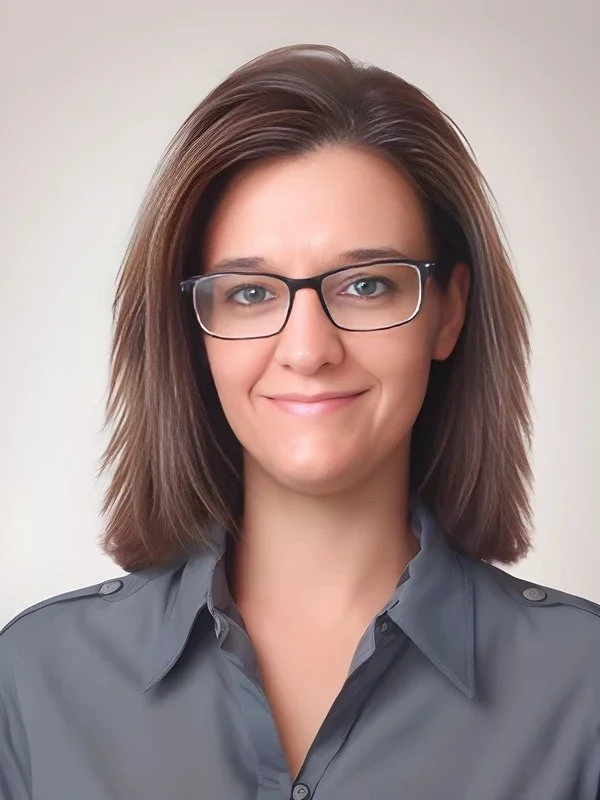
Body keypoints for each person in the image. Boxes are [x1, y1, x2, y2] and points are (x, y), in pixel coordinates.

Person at [1, 42, 599, 800]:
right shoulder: (34, 681)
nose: (309, 349)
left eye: (367, 285)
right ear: (192, 329)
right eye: (250, 293)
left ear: (447, 312)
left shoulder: (584, 689)